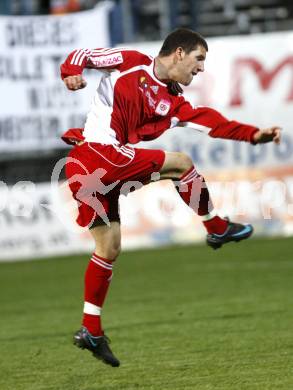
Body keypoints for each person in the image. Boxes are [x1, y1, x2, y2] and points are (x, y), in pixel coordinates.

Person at [60, 28, 281, 367]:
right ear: (179, 53)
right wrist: (72, 72)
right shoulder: (131, 63)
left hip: (91, 169)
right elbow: (82, 57)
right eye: (199, 58)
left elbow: (210, 121)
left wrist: (253, 134)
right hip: (98, 155)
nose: (202, 68)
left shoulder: (172, 102)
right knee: (181, 164)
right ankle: (217, 226)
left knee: (109, 247)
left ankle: (90, 328)